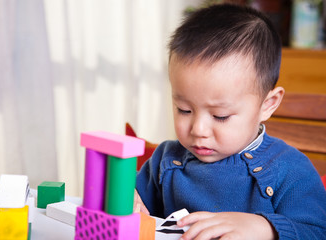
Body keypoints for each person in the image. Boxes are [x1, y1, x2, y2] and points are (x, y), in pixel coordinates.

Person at [134, 3, 326, 240]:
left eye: (220, 116)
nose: (198, 129)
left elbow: (317, 231)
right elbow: (134, 205)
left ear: (268, 105)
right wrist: (125, 197)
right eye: (184, 110)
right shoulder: (165, 160)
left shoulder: (290, 170)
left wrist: (265, 228)